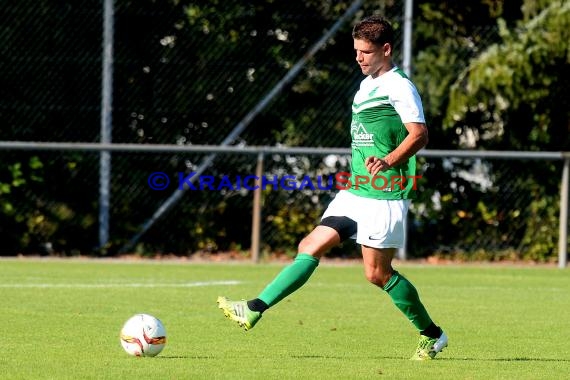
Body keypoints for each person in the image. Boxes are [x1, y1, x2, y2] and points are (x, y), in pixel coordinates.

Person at [217, 15, 448, 361]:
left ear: (386, 50)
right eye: (356, 51)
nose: (359, 58)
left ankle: (432, 335)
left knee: (377, 274)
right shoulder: (366, 85)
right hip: (356, 190)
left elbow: (419, 135)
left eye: (366, 52)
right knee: (310, 245)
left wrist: (389, 161)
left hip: (385, 193)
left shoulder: (400, 87)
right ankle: (254, 308)